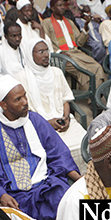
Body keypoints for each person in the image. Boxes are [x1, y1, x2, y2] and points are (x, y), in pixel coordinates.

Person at [0, 75, 79, 220]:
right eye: (18, 99)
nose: (25, 102)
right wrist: (1, 195)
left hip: (47, 186)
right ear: (4, 105)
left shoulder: (34, 120)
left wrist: (79, 178)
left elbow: (58, 153)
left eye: (25, 96)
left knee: (75, 214)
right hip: (13, 195)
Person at [15, 38, 87, 170]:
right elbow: (23, 111)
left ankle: (85, 179)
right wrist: (47, 124)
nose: (46, 55)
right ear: (30, 55)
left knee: (85, 145)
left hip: (63, 122)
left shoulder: (56, 72)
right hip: (37, 127)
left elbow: (65, 100)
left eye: (47, 50)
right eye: (41, 51)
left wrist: (66, 118)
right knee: (58, 151)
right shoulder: (21, 77)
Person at [42, 0, 106, 90]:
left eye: (63, 5)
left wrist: (85, 27)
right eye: (59, 5)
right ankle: (90, 96)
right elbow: (46, 43)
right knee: (84, 71)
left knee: (97, 67)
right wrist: (59, 53)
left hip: (76, 53)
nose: (62, 7)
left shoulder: (69, 22)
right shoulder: (46, 23)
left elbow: (79, 43)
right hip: (61, 56)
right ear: (52, 8)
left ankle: (97, 95)